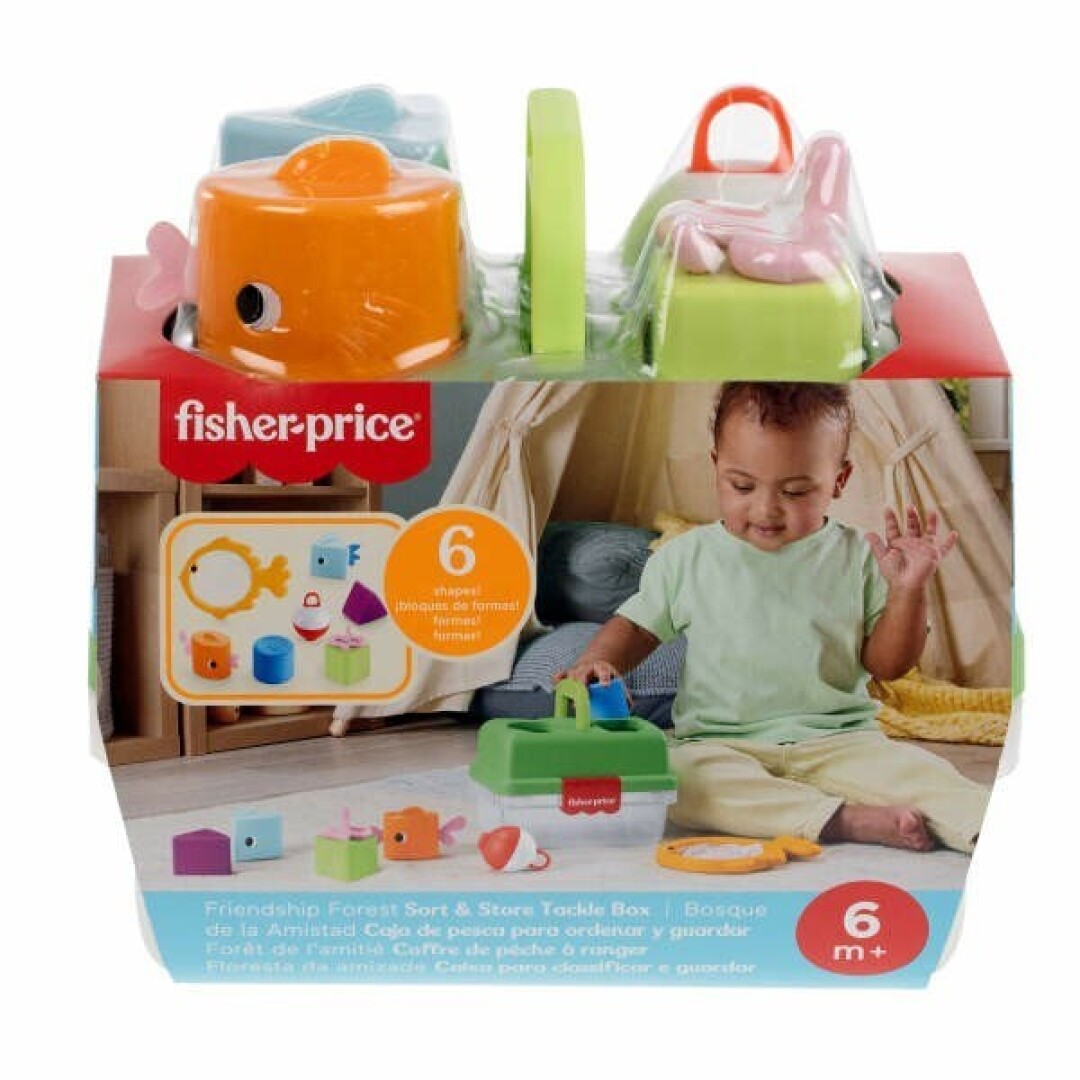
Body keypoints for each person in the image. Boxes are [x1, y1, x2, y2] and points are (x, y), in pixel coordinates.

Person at [556, 382, 989, 853]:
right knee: (675, 778)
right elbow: (635, 627)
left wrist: (908, 591)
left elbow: (889, 665)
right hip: (720, 744)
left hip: (841, 741)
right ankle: (840, 819)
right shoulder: (685, 558)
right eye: (742, 486)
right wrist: (596, 663)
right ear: (716, 467)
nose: (766, 509)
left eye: (796, 491)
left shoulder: (861, 557)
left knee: (922, 773)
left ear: (839, 480)